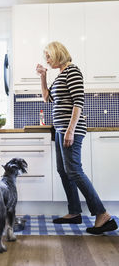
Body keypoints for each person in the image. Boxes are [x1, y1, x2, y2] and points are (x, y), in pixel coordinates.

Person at [36, 41, 118, 234]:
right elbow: (47, 98)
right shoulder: (60, 76)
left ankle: (103, 215)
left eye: (48, 56)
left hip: (69, 129)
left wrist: (70, 130)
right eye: (45, 57)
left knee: (73, 170)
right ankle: (74, 212)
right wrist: (43, 77)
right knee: (63, 170)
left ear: (58, 53)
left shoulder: (72, 71)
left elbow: (78, 101)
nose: (46, 60)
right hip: (60, 128)